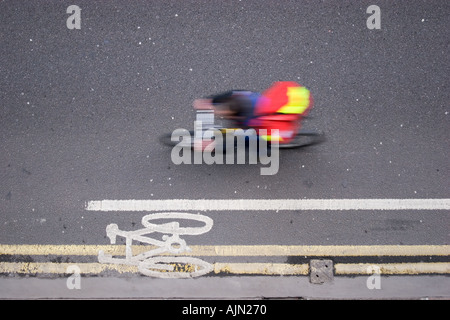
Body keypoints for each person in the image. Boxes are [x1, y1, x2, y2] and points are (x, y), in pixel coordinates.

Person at [193, 81, 313, 146]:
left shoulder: (251, 121)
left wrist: (213, 145)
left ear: (235, 116)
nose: (219, 113)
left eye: (223, 113)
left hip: (267, 132)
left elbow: (236, 139)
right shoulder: (243, 97)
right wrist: (210, 101)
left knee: (246, 140)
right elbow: (230, 94)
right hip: (266, 109)